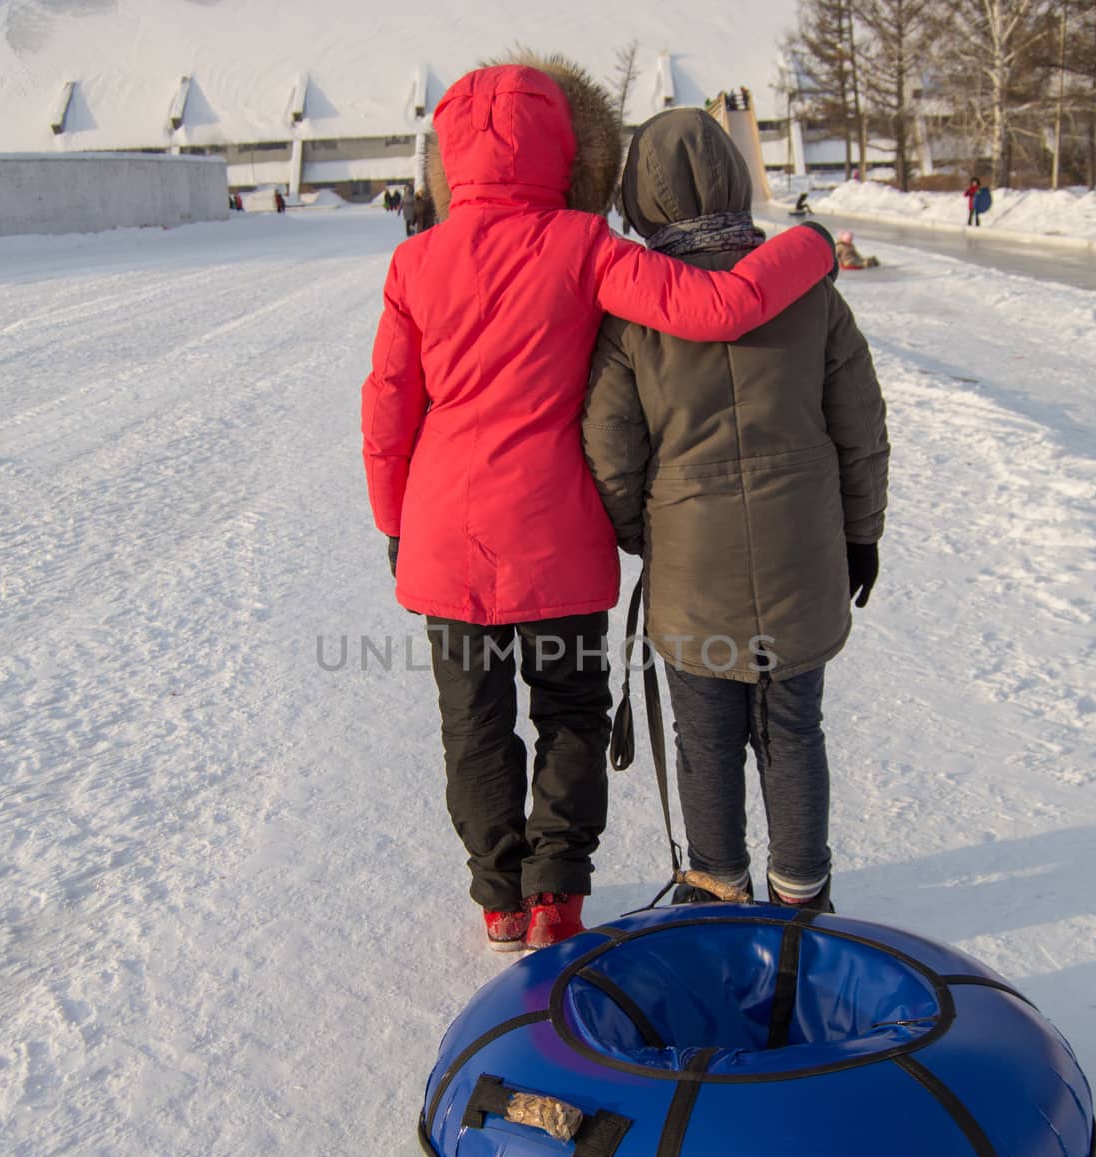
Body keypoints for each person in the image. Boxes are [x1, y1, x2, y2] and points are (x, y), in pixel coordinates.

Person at [361, 60, 837, 952]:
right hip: (555, 533)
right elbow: (721, 305)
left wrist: (393, 520)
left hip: (443, 535)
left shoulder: (414, 260)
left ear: (450, 159)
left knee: (471, 719)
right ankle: (557, 897)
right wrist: (810, 245)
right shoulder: (582, 246)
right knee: (571, 709)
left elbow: (389, 406)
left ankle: (498, 895)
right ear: (573, 151)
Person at [582, 108, 889, 914]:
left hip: (692, 558)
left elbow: (610, 449)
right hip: (805, 549)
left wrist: (643, 532)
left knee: (706, 736)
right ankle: (803, 891)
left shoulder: (632, 316)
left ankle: (717, 886)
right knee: (793, 727)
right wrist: (863, 534)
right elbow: (861, 427)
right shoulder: (813, 297)